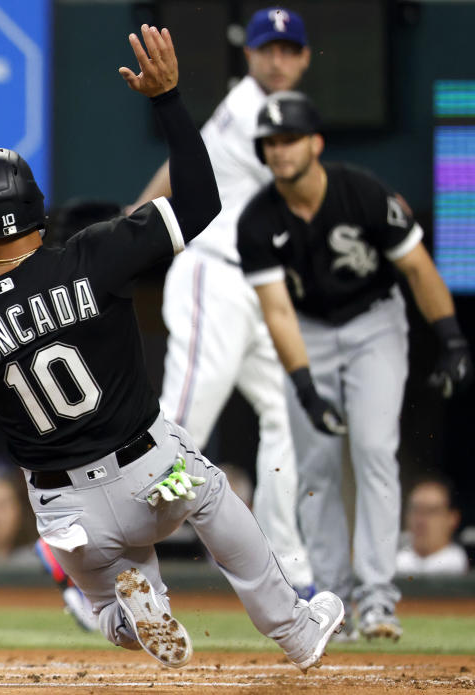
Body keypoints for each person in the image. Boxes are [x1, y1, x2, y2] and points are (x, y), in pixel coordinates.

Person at [0, 25, 344, 672]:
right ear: (37, 205)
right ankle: (294, 629)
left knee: (105, 610)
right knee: (211, 498)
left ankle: (130, 607)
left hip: (65, 507)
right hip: (153, 472)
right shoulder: (96, 252)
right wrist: (169, 99)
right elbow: (202, 201)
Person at [237, 91, 474, 640]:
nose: (280, 150)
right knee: (315, 469)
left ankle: (378, 599)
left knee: (372, 449)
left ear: (315, 142)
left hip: (374, 324)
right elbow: (277, 310)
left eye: (290, 138)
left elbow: (417, 267)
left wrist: (452, 338)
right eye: (270, 143)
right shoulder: (257, 219)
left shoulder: (362, 193)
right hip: (309, 332)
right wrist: (303, 386)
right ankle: (334, 600)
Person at [127, 6, 315, 595]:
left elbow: (177, 164)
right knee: (182, 427)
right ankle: (107, 556)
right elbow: (305, 184)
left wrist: (127, 222)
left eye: (288, 50)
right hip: (214, 273)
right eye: (268, 49)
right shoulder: (253, 108)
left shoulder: (245, 109)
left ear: (304, 57)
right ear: (250, 55)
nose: (278, 60)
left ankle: (288, 566)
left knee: (289, 413)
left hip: (255, 284)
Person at [396, 477, 468, 577]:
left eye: (431, 511)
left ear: (452, 519)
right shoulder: (393, 565)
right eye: (415, 510)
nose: (421, 520)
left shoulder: (462, 568)